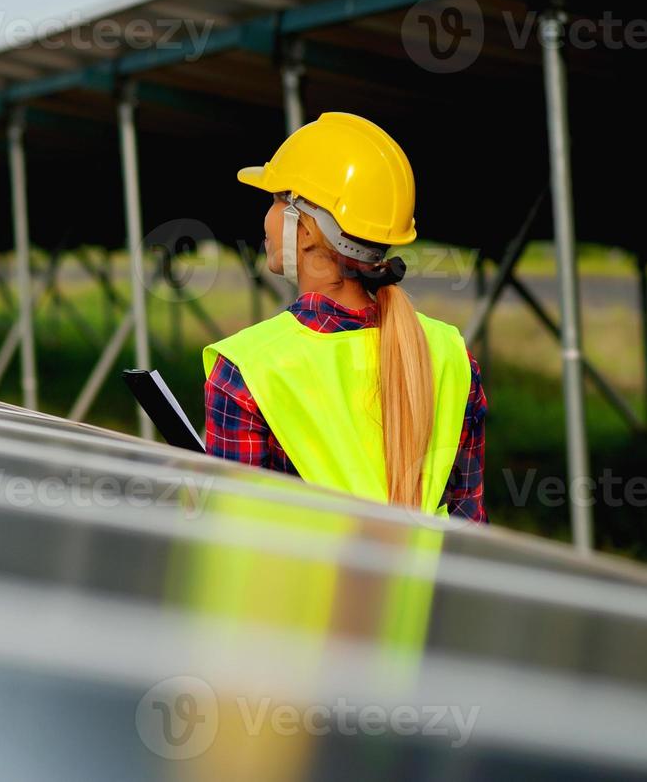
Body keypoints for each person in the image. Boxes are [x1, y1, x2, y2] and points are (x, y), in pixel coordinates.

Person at [202, 113, 487, 522]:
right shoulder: (451, 356)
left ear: (306, 232)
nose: (264, 219)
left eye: (275, 200)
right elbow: (469, 525)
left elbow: (230, 537)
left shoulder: (246, 370)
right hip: (426, 587)